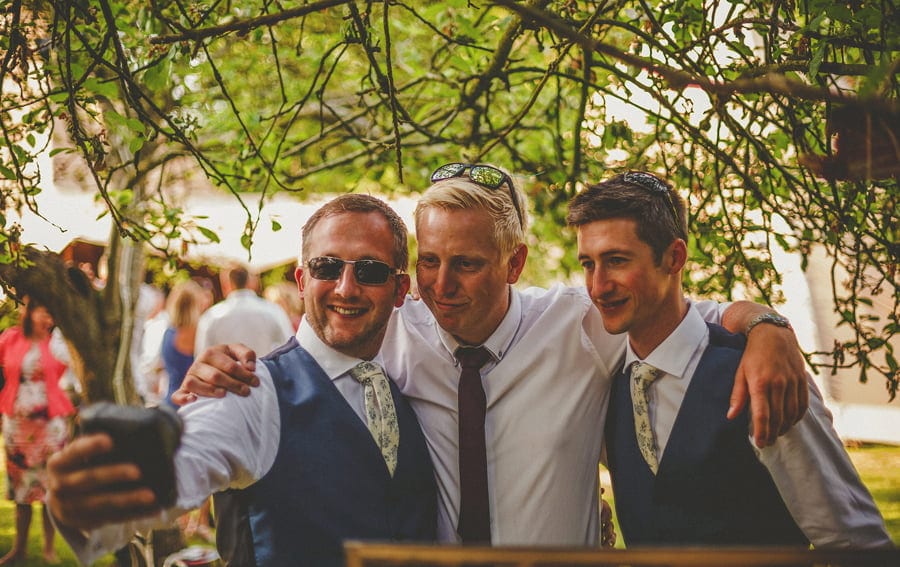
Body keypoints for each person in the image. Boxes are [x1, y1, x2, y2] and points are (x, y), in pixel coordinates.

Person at [179, 163, 809, 546]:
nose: (442, 285)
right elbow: (321, 345)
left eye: (468, 265)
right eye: (428, 262)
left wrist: (766, 325)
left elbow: (679, 313)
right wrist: (224, 370)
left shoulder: (579, 325)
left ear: (514, 263)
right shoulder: (397, 322)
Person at [46, 194, 437, 567]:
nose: (346, 287)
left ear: (400, 289)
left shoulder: (414, 374)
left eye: (369, 271)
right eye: (327, 267)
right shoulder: (250, 393)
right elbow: (188, 455)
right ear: (302, 280)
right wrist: (95, 500)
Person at [567, 172, 892, 547]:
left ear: (674, 257)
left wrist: (767, 325)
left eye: (617, 260)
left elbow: (855, 541)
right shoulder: (607, 379)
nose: (597, 286)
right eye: (588, 264)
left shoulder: (764, 376)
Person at [0, 297, 76, 564]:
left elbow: (73, 373)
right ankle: (18, 549)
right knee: (20, 490)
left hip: (50, 429)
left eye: (51, 315)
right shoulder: (9, 338)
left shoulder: (57, 343)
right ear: (30, 311)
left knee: (49, 491)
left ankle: (49, 548)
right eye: (44, 313)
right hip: (18, 428)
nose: (48, 320)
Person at [194, 263, 294, 357]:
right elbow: (290, 349)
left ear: (226, 285)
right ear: (251, 283)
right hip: (266, 373)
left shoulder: (211, 317)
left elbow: (202, 356)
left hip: (226, 374)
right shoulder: (274, 311)